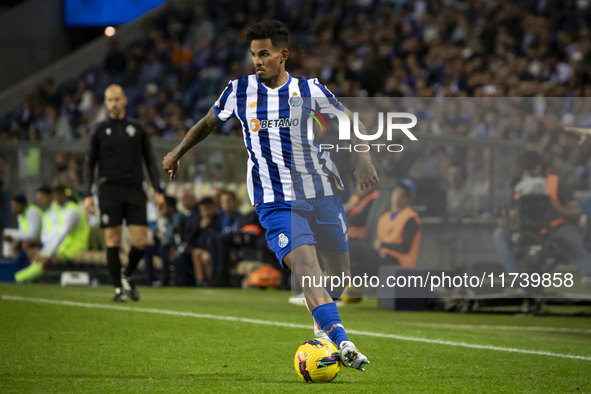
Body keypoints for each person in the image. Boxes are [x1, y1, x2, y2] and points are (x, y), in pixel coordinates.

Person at [162, 20, 377, 371]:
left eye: (264, 54)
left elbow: (350, 121)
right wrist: (177, 152)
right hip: (275, 198)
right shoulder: (239, 91)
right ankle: (341, 341)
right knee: (308, 269)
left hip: (321, 192)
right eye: (253, 55)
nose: (257, 61)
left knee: (339, 272)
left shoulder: (309, 90)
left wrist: (364, 157)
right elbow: (207, 123)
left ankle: (321, 330)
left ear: (283, 55)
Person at [84, 84, 164, 302]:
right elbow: (89, 163)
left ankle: (127, 273)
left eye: (117, 99)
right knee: (113, 240)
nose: (114, 103)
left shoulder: (137, 129)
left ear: (125, 100)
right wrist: (88, 195)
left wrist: (157, 189)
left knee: (141, 242)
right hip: (109, 190)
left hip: (135, 189)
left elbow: (150, 161)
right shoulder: (99, 130)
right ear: (106, 103)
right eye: (109, 100)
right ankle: (118, 290)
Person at [493, 151, 591, 285]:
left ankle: (588, 273)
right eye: (526, 169)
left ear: (541, 167)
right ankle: (518, 280)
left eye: (533, 168)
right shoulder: (518, 186)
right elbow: (509, 217)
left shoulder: (556, 183)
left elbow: (576, 213)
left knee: (570, 238)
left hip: (556, 229)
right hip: (527, 232)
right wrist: (506, 220)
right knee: (500, 235)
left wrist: (558, 209)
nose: (530, 172)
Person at [14, 186, 89, 283]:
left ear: (64, 196)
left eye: (57, 196)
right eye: (54, 197)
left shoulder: (72, 211)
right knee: (37, 255)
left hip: (76, 247)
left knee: (46, 260)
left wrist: (46, 254)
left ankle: (21, 278)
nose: (55, 199)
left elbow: (61, 234)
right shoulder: (60, 210)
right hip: (64, 247)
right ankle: (22, 277)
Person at [3, 194, 43, 271]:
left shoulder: (33, 212)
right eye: (12, 206)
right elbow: (22, 232)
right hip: (32, 240)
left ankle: (36, 267)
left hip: (41, 239)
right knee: (16, 244)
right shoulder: (20, 215)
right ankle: (19, 267)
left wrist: (13, 236)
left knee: (25, 243)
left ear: (23, 205)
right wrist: (13, 237)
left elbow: (32, 234)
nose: (13, 209)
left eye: (15, 206)